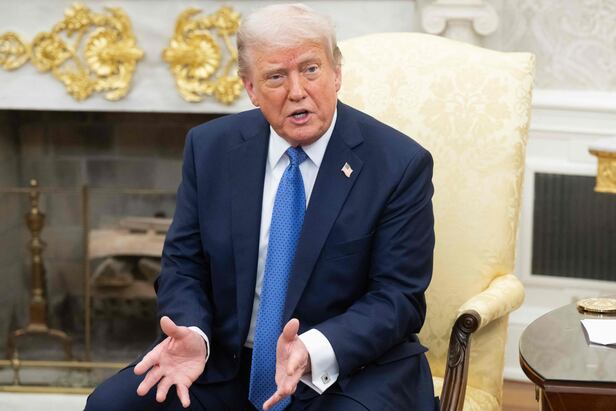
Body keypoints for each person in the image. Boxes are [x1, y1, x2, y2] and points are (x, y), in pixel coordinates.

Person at [86, 3, 437, 410]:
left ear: (337, 73)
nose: (297, 91)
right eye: (276, 77)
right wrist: (194, 333)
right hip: (227, 363)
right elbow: (183, 264)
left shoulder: (398, 164)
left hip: (346, 371)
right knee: (110, 405)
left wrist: (313, 348)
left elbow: (398, 297)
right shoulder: (210, 148)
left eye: (311, 69)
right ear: (250, 88)